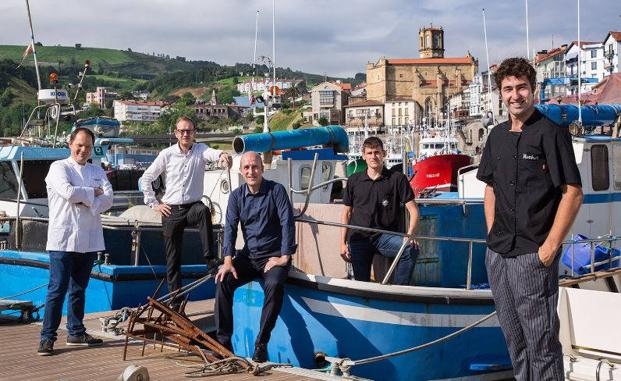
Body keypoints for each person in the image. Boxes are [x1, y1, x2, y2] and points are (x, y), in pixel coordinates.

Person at [476, 57, 583, 380]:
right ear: (500, 93)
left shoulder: (551, 133)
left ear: (533, 89)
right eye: (508, 89)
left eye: (521, 87)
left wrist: (549, 248)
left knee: (542, 345)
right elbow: (491, 188)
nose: (515, 95)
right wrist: (492, 232)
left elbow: (573, 193)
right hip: (499, 254)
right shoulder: (496, 136)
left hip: (532, 255)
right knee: (515, 340)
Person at [141, 116, 232, 310]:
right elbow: (147, 177)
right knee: (173, 258)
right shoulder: (167, 154)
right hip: (171, 209)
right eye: (182, 131)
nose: (185, 134)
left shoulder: (201, 150)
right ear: (176, 133)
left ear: (194, 133)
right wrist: (153, 204)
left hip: (192, 207)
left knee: (203, 211)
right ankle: (176, 300)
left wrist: (223, 154)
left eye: (189, 131)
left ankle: (210, 260)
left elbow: (213, 154)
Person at [38, 127, 114, 356]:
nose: (83, 150)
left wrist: (87, 199)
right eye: (80, 145)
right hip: (63, 238)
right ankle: (47, 337)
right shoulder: (58, 168)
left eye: (88, 146)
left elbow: (109, 198)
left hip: (89, 238)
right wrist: (93, 194)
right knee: (57, 289)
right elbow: (68, 192)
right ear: (70, 144)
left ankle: (76, 332)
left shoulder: (97, 169)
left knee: (79, 288)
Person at [214, 151, 296, 363]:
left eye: (255, 167)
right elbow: (230, 228)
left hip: (273, 256)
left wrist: (285, 257)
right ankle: (223, 344)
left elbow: (287, 222)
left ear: (262, 168)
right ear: (241, 171)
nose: (251, 171)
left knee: (275, 284)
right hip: (249, 257)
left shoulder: (276, 191)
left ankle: (261, 343)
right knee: (223, 281)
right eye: (247, 168)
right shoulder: (236, 196)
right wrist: (228, 260)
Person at [340, 136, 419, 285]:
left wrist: (410, 234)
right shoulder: (354, 180)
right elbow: (346, 213)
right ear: (363, 155)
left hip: (385, 237)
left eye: (377, 152)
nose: (373, 156)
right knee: (361, 284)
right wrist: (342, 243)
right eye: (369, 153)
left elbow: (413, 210)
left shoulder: (397, 179)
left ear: (384, 153)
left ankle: (399, 292)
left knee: (410, 249)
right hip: (359, 238)